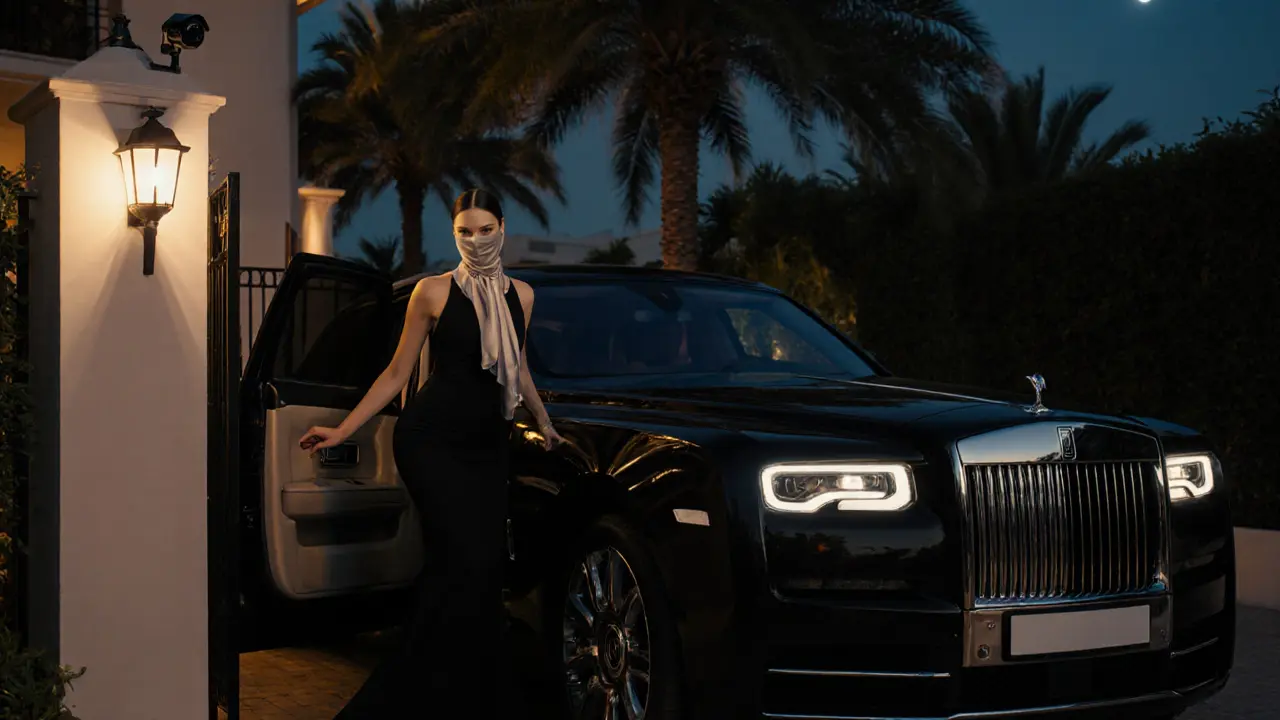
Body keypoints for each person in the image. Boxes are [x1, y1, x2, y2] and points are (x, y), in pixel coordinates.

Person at [298, 188, 563, 717]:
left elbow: (518, 367)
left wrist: (544, 419)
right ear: (454, 234)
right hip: (432, 441)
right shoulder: (433, 291)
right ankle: (410, 697)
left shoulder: (524, 296)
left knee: (481, 570)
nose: (476, 240)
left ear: (503, 228)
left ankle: (463, 694)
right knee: (462, 560)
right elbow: (397, 373)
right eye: (464, 232)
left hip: (488, 445)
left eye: (485, 230)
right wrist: (343, 430)